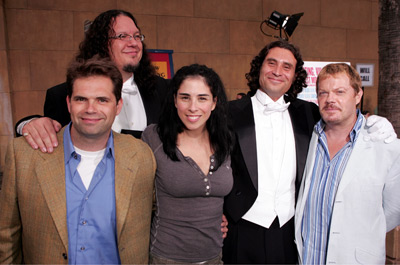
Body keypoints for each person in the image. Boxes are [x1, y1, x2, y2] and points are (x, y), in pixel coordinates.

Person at [222, 40, 398, 264]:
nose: (278, 71)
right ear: (260, 67)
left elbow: (346, 118)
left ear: (295, 75)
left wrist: (375, 121)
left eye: (287, 67)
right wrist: (214, 212)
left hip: (290, 232)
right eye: (272, 63)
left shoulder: (308, 113)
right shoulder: (228, 113)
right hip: (242, 231)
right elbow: (210, 165)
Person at [0, 57, 156, 264]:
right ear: (68, 103)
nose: (91, 109)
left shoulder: (142, 156)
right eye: (81, 99)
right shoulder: (24, 156)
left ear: (118, 106)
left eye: (102, 100)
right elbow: (6, 236)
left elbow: (162, 218)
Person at [16, 9, 168, 152]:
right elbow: (47, 135)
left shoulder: (164, 89)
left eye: (136, 36)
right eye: (122, 36)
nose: (134, 43)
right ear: (101, 44)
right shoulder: (61, 94)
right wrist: (28, 124)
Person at [295, 63, 400, 264]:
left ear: (358, 95)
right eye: (323, 93)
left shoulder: (385, 145)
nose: (330, 99)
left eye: (339, 92)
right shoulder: (309, 138)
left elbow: (392, 211)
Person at [141, 64, 234, 264]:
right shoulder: (154, 137)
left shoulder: (224, 140)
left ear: (214, 102)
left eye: (202, 98)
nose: (193, 107)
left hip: (214, 256)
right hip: (166, 257)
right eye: (185, 97)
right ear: (174, 100)